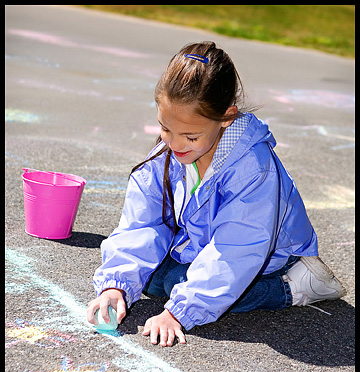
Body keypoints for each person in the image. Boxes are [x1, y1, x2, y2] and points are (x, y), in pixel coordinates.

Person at [87, 41, 346, 347]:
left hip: (266, 256)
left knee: (175, 284)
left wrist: (179, 313)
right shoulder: (168, 152)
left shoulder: (252, 167)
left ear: (226, 117)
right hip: (206, 243)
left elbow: (237, 250)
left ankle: (294, 287)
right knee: (151, 278)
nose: (175, 144)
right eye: (165, 129)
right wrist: (114, 287)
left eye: (190, 136)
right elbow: (142, 224)